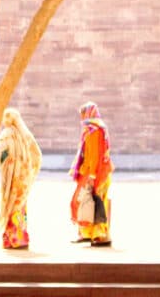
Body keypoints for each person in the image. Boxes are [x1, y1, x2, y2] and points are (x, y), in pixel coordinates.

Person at [0, 108, 42, 249]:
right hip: (23, 179)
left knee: (10, 205)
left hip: (11, 178)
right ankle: (21, 238)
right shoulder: (25, 135)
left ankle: (12, 239)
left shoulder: (6, 135)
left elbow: (1, 154)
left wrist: (6, 163)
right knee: (20, 206)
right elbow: (36, 154)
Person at [69, 101, 114, 247]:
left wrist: (92, 176)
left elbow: (94, 155)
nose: (81, 118)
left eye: (82, 114)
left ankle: (98, 235)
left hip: (95, 172)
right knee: (93, 202)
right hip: (100, 171)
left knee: (84, 201)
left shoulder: (93, 130)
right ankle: (89, 233)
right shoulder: (97, 128)